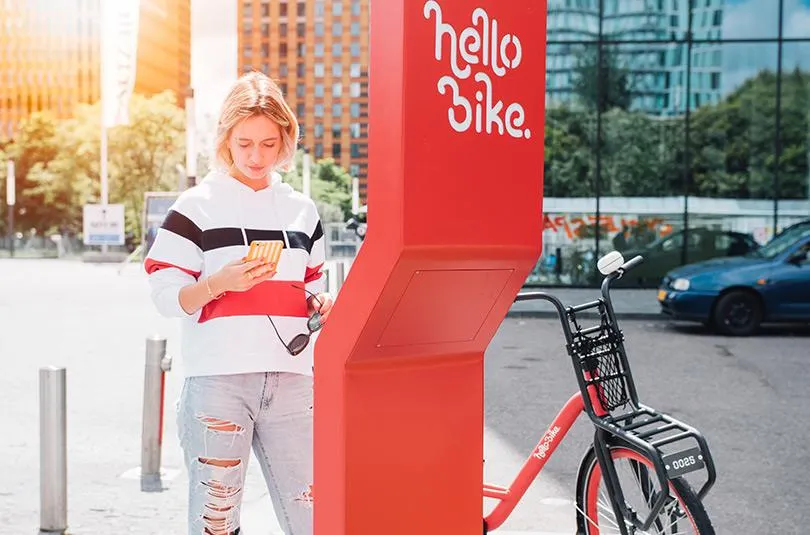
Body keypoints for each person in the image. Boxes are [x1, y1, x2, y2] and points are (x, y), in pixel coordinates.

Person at [144, 71, 332, 535]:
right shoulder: (194, 206)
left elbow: (311, 289)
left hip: (294, 381)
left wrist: (323, 305)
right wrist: (219, 283)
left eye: (269, 144)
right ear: (226, 138)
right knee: (216, 525)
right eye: (244, 142)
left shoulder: (302, 211)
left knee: (314, 517)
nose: (256, 156)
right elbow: (168, 298)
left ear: (285, 140)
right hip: (218, 383)